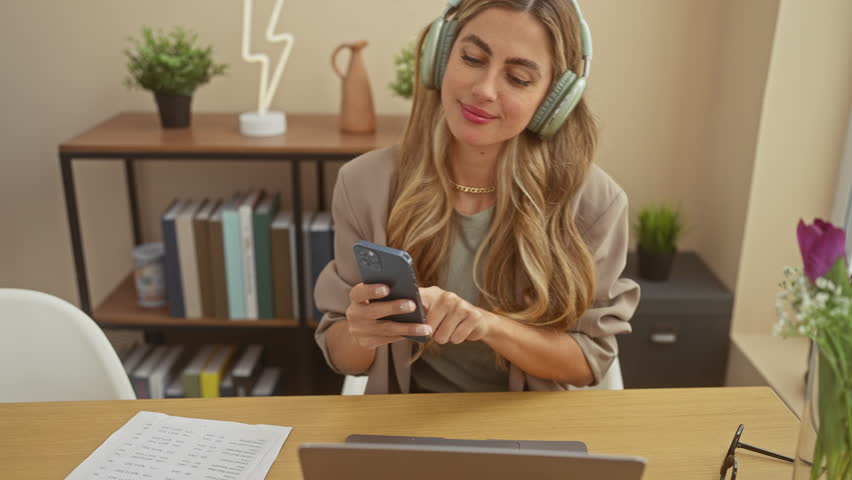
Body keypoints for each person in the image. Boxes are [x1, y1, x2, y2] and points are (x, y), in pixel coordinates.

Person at [314, 0, 640, 394]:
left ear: (554, 100)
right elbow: (342, 357)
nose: (484, 90)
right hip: (406, 428)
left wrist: (489, 326)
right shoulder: (364, 183)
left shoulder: (595, 203)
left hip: (527, 432)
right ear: (440, 56)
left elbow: (588, 362)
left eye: (518, 78)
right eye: (472, 58)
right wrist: (362, 331)